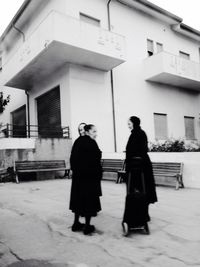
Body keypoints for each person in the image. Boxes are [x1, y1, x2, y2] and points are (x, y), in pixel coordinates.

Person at [69, 124, 102, 235]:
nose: (96, 134)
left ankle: (76, 223)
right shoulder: (92, 143)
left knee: (78, 200)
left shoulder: (77, 141)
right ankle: (87, 226)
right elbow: (96, 160)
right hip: (89, 178)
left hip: (78, 178)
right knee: (89, 201)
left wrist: (75, 171)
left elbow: (72, 158)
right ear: (87, 132)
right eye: (94, 131)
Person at [125, 116, 157, 220]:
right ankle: (143, 214)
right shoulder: (140, 133)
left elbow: (134, 150)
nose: (128, 125)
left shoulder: (136, 134)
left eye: (129, 123)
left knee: (139, 189)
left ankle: (141, 215)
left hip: (138, 167)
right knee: (144, 189)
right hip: (141, 165)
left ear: (134, 123)